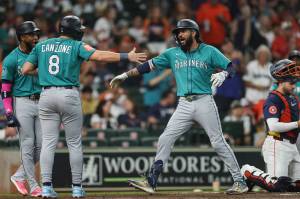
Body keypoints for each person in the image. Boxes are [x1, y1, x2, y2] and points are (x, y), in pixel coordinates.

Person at [110, 19, 248, 194]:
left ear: (194, 33)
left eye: (183, 31)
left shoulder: (209, 51)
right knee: (165, 138)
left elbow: (232, 66)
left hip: (204, 101)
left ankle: (239, 181)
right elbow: (148, 66)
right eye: (178, 32)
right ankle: (151, 181)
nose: (179, 34)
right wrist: (124, 75)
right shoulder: (172, 53)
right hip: (183, 104)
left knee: (218, 142)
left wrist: (224, 73)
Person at [22, 15, 146, 198]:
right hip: (68, 94)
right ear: (73, 30)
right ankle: (77, 188)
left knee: (48, 142)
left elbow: (25, 69)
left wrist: (45, 74)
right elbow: (100, 55)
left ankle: (46, 187)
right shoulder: (76, 46)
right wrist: (127, 55)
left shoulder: (41, 45)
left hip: (46, 94)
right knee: (74, 143)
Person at [241, 59, 300, 192]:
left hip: (292, 145)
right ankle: (247, 171)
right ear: (281, 81)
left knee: (296, 185)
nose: (293, 86)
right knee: (277, 185)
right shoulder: (273, 98)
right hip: (277, 144)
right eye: (291, 83)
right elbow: (273, 126)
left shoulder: (294, 98)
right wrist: (297, 124)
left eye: (294, 82)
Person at [1, 21, 42, 197]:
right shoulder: (11, 59)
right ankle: (34, 186)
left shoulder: (40, 53)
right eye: (31, 34)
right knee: (27, 144)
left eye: (36, 34)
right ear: (22, 37)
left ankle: (18, 176)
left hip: (41, 101)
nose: (35, 37)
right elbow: (5, 89)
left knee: (41, 146)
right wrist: (9, 112)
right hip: (22, 101)